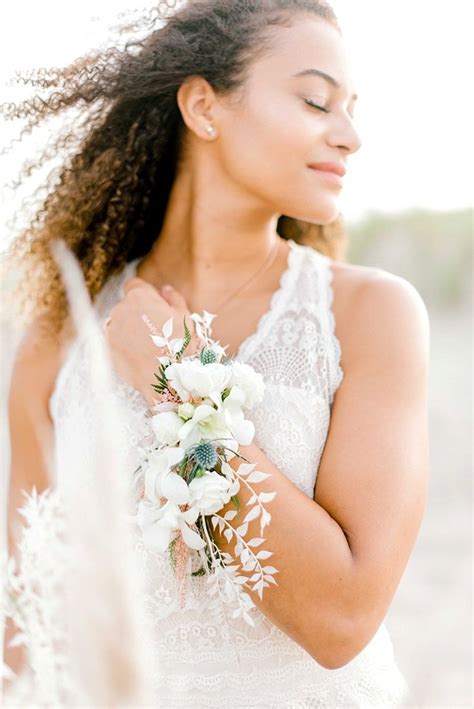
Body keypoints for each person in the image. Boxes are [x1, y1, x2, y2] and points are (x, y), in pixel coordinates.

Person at [2, 0, 430, 706]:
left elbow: (342, 618)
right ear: (204, 106)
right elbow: (31, 626)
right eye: (317, 100)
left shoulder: (371, 315)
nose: (350, 135)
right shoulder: (58, 339)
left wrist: (179, 380)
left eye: (352, 108)